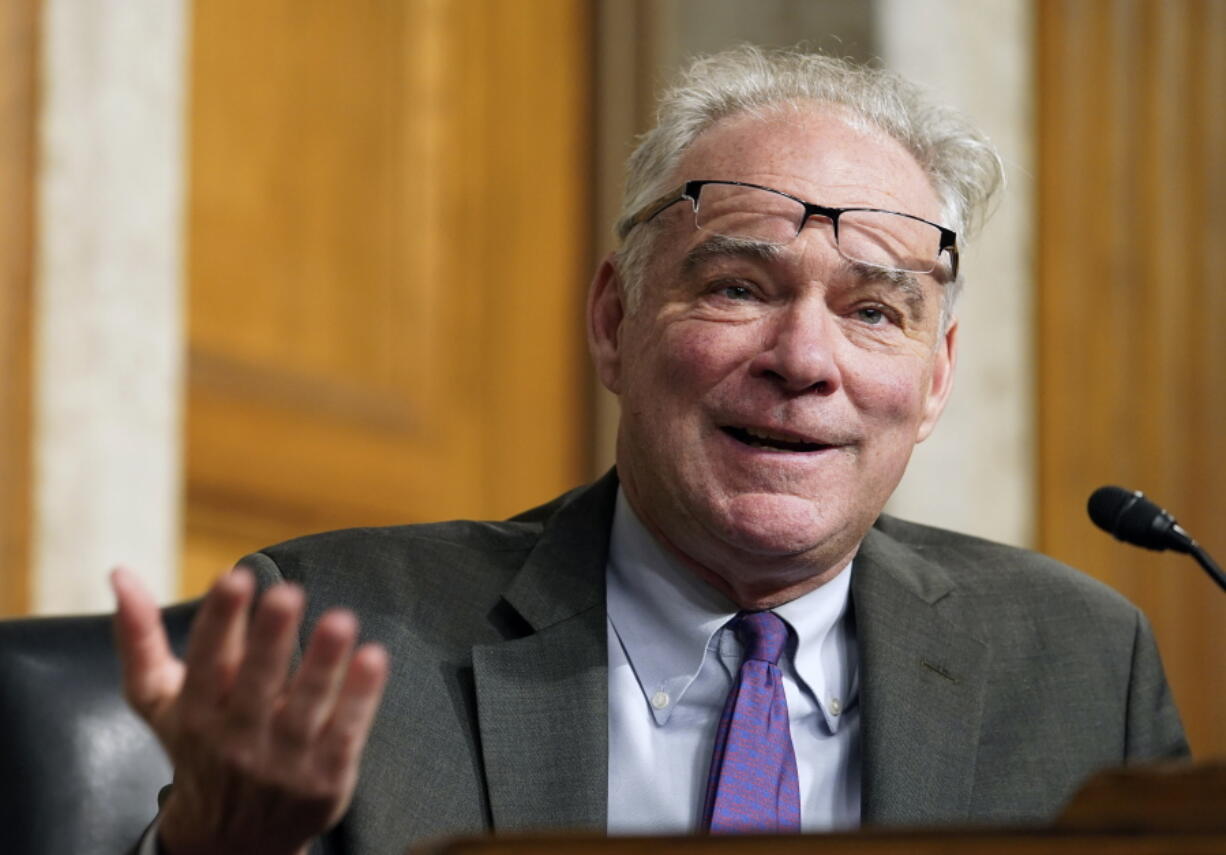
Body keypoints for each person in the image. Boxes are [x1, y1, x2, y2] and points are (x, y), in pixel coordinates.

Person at [113, 46, 1189, 855]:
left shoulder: (1081, 670)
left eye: (873, 311)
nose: (803, 359)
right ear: (611, 320)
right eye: (737, 287)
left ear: (937, 377)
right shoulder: (338, 640)